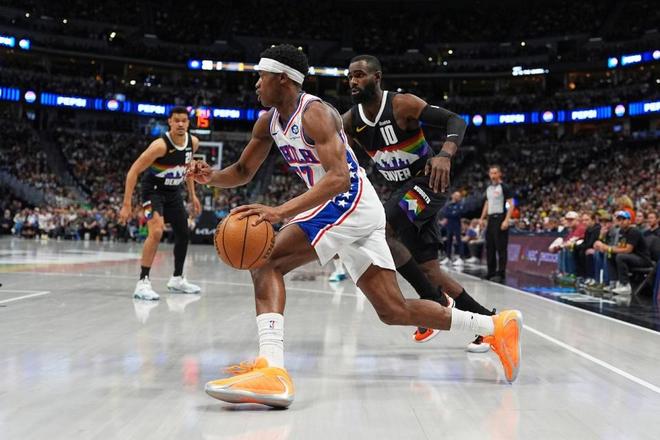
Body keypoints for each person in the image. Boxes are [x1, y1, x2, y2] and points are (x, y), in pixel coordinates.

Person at [190, 45, 522, 408]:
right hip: (356, 208)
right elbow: (241, 171)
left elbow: (338, 178)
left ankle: (272, 370)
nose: (256, 83)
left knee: (267, 261)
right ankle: (495, 327)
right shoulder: (267, 122)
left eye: (261, 76)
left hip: (347, 200)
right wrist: (211, 177)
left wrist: (281, 211)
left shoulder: (315, 113)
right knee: (393, 310)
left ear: (283, 79)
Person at [343, 55, 497, 349]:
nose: (353, 81)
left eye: (359, 75)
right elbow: (336, 154)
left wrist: (445, 155)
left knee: (382, 229)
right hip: (401, 192)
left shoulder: (402, 104)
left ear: (377, 77)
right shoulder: (349, 121)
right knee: (431, 271)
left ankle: (434, 300)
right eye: (350, 76)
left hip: (428, 183)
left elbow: (456, 120)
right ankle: (490, 324)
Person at [119, 106, 202, 300]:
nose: (180, 124)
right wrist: (126, 204)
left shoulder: (193, 142)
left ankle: (177, 279)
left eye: (184, 120)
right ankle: (143, 282)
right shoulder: (160, 146)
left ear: (188, 123)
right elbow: (133, 171)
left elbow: (188, 168)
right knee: (156, 232)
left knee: (183, 233)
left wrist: (193, 195)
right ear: (170, 122)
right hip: (152, 192)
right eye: (176, 120)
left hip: (174, 192)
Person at [594, 210, 653, 295]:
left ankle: (625, 285)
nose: (621, 222)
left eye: (623, 219)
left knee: (620, 256)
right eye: (619, 220)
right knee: (610, 255)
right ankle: (614, 282)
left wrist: (607, 248)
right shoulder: (621, 231)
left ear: (629, 220)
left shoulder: (634, 231)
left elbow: (628, 250)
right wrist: (606, 248)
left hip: (643, 259)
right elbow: (619, 247)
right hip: (632, 257)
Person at [479, 165, 513, 282]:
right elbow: (487, 203)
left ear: (499, 174)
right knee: (490, 247)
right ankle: (491, 272)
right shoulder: (489, 188)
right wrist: (482, 218)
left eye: (495, 173)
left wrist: (506, 220)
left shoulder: (504, 187)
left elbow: (511, 204)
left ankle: (501, 273)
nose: (493, 175)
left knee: (501, 247)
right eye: (491, 173)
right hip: (490, 219)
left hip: (500, 217)